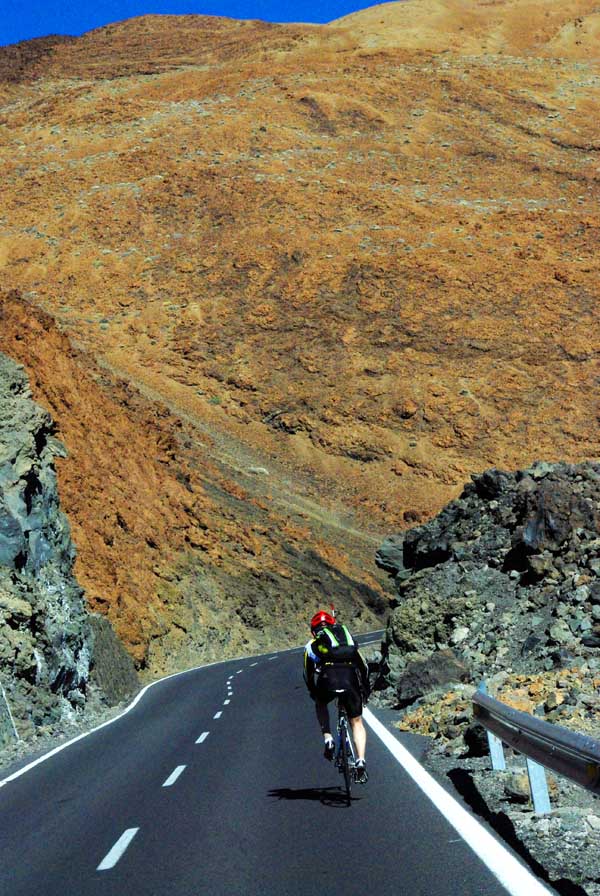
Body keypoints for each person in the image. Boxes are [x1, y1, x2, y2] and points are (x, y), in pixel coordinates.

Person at [303, 609, 371, 783]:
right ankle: (360, 760)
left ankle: (328, 738)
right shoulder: (346, 641)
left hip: (328, 680)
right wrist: (365, 691)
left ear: (313, 630)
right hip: (350, 681)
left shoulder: (312, 644)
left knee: (321, 703)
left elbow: (307, 673)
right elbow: (363, 668)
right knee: (356, 722)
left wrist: (313, 692)